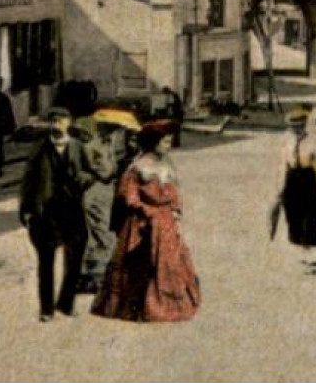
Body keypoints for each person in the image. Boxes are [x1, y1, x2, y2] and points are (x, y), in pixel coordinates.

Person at [92, 120, 201, 323]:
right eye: (164, 142)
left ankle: (171, 304)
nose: (168, 146)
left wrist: (175, 213)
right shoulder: (138, 167)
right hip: (143, 222)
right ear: (153, 142)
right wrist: (148, 211)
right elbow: (128, 197)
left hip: (166, 222)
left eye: (169, 142)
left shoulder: (167, 166)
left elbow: (174, 194)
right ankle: (143, 306)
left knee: (170, 260)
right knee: (143, 263)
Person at [19, 108, 91, 322]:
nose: (57, 124)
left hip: (72, 210)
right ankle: (46, 309)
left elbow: (89, 173)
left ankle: (66, 303)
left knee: (76, 256)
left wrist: (82, 179)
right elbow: (28, 181)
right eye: (53, 121)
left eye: (61, 121)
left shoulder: (78, 147)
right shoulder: (40, 148)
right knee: (46, 261)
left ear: (69, 122)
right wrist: (26, 209)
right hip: (46, 213)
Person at [273, 105, 316, 269]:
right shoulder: (287, 142)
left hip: (307, 177)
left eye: (299, 127)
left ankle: (308, 250)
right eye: (293, 127)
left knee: (310, 214)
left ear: (304, 126)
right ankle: (300, 249)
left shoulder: (313, 142)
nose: (296, 130)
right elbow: (283, 164)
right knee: (293, 213)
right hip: (292, 179)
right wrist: (280, 187)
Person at [75, 115, 120, 294]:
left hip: (101, 193)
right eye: (110, 128)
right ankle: (98, 277)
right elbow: (106, 171)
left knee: (96, 233)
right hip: (96, 193)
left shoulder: (103, 144)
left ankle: (90, 276)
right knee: (102, 232)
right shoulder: (93, 146)